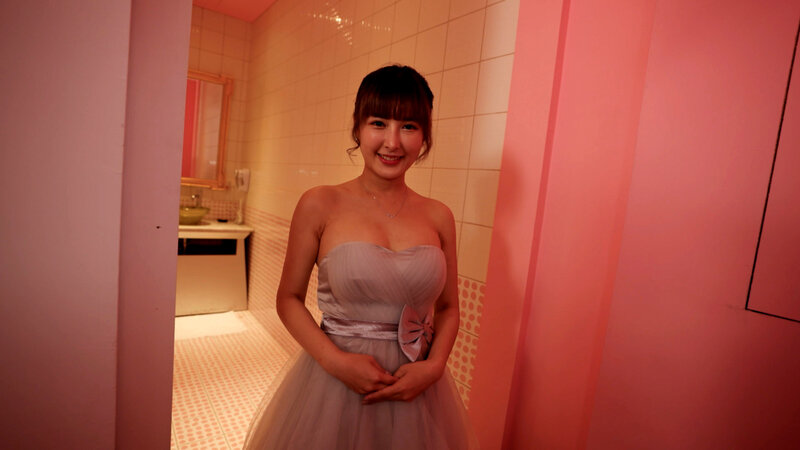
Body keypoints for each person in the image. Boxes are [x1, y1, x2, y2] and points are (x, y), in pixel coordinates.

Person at [243, 65, 478, 449]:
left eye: (409, 126)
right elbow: (288, 299)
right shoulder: (320, 203)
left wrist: (435, 367)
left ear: (425, 135)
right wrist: (335, 362)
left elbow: (449, 308)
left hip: (418, 390)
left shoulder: (439, 216)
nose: (392, 142)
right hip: (334, 384)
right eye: (378, 123)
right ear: (357, 127)